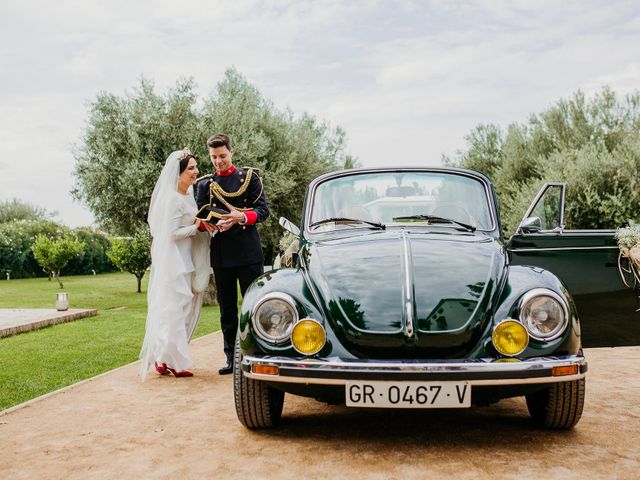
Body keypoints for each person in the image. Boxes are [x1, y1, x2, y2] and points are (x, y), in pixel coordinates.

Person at [196, 134, 269, 375]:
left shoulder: (250, 178)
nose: (218, 161)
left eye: (223, 156)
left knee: (253, 306)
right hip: (222, 255)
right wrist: (206, 224)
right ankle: (232, 358)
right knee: (227, 310)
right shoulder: (205, 185)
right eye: (214, 157)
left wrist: (242, 217)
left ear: (232, 152)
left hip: (248, 252)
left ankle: (258, 353)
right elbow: (200, 217)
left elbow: (263, 211)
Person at [140, 148, 213, 380]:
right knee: (173, 309)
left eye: (195, 167)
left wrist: (203, 222)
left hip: (185, 258)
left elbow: (189, 219)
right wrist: (197, 227)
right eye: (191, 168)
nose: (195, 172)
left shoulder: (187, 194)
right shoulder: (172, 198)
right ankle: (175, 362)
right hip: (173, 260)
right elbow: (170, 233)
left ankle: (162, 358)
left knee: (178, 310)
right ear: (179, 173)